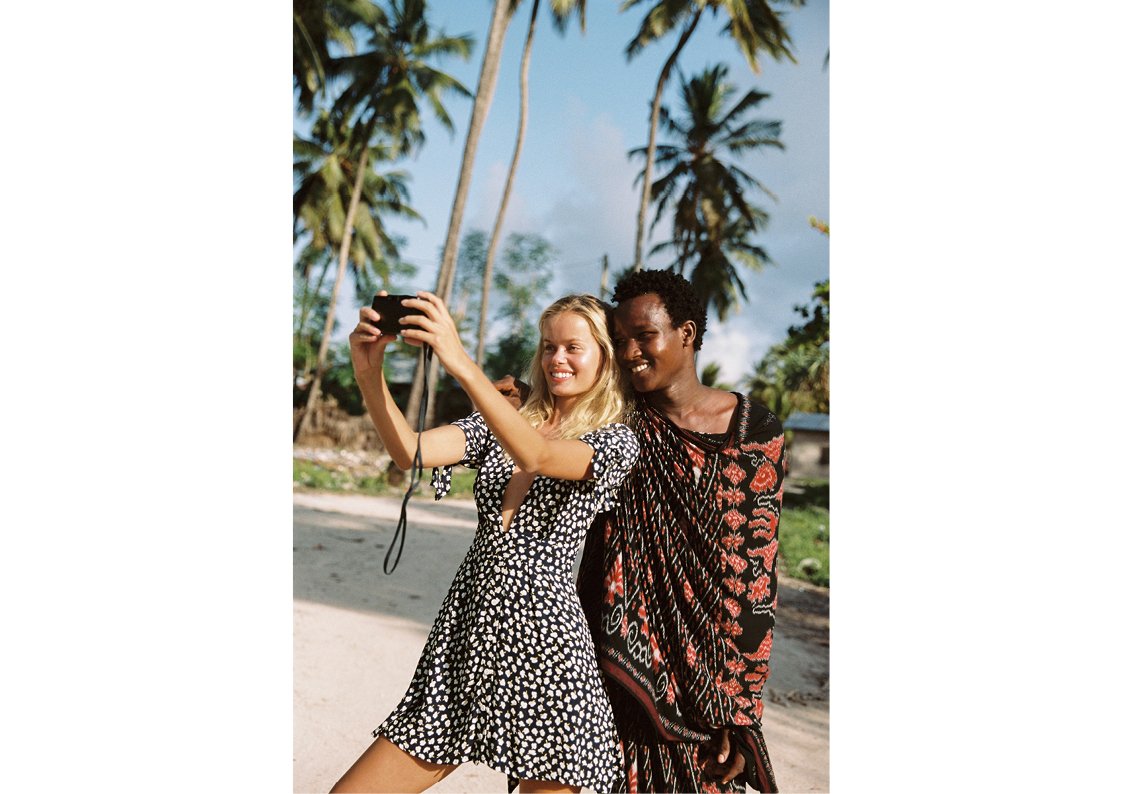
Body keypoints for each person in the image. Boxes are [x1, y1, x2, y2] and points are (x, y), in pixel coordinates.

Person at [331, 291, 639, 794]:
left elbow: (538, 456)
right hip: (465, 634)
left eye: (573, 348)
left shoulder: (615, 441)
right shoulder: (506, 422)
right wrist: (369, 371)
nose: (556, 359)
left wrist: (459, 359)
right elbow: (410, 451)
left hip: (547, 654)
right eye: (548, 346)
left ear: (605, 358)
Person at [502, 270, 786, 793]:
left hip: (705, 687)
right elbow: (549, 435)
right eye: (620, 339)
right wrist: (522, 403)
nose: (630, 351)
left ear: (687, 333)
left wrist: (740, 707)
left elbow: (754, 576)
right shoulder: (617, 425)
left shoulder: (754, 430)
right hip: (611, 658)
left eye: (645, 336)